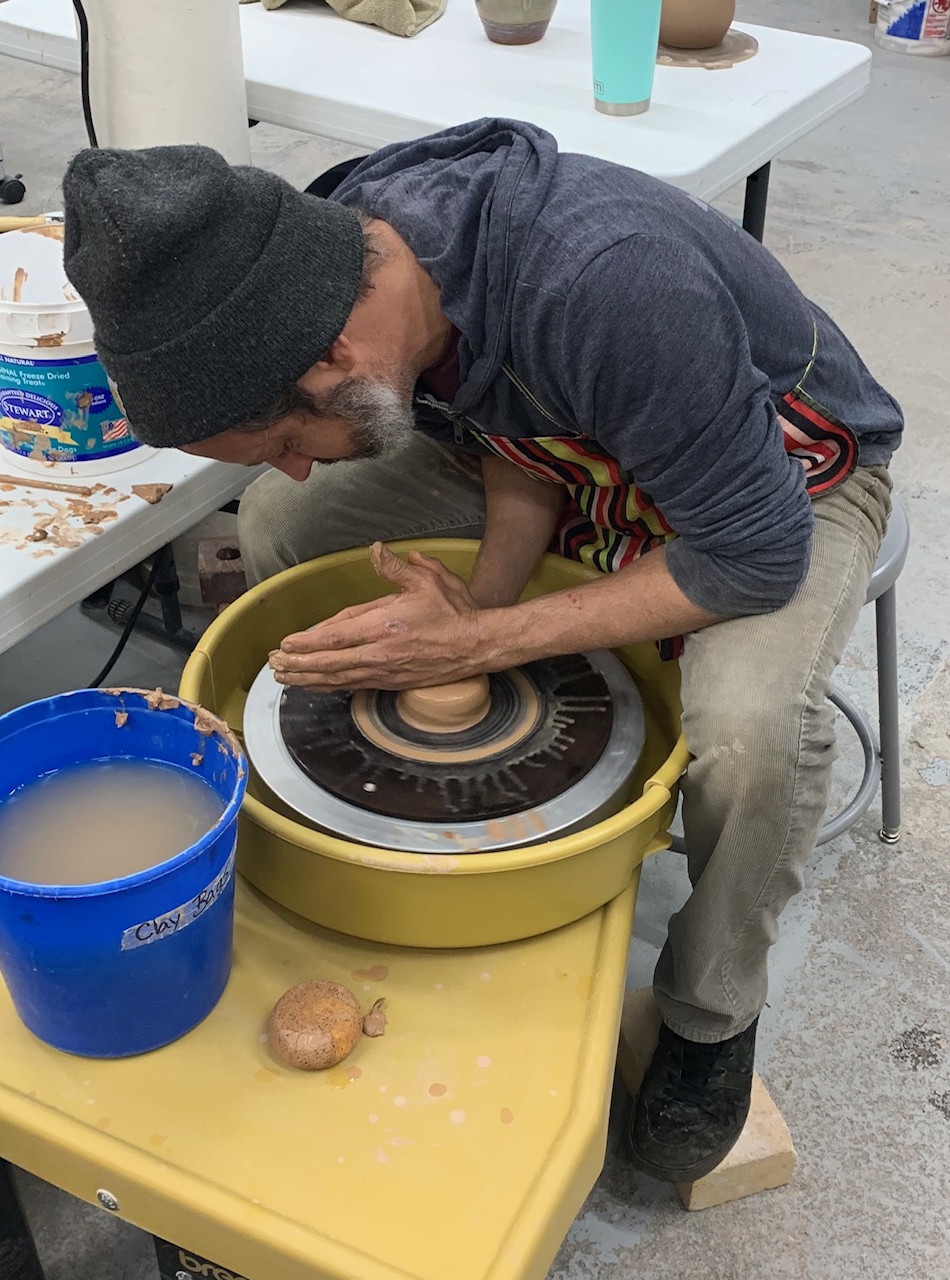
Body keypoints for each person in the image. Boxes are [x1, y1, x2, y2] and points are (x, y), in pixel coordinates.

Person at [61, 118, 900, 1184]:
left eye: (286, 437)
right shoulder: (349, 251)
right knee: (282, 522)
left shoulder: (609, 284)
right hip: (584, 447)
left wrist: (483, 638)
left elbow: (755, 554)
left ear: (340, 357)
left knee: (753, 725)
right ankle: (363, 817)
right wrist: (485, 597)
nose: (300, 463)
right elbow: (512, 424)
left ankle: (710, 1014)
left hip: (780, 476)